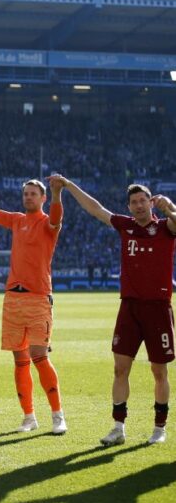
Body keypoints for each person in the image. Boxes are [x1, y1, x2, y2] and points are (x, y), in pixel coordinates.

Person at [52, 177, 176, 445]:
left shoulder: (166, 227)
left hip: (158, 309)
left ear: (151, 201)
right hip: (129, 308)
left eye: (143, 200)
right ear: (129, 207)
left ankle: (159, 428)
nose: (139, 205)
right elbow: (95, 208)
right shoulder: (126, 226)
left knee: (159, 372)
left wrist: (170, 208)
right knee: (120, 370)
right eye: (134, 202)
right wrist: (69, 186)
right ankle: (118, 428)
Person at [0, 166, 67, 434]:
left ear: (41, 198)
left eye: (33, 194)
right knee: (19, 361)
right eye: (25, 193)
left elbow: (57, 217)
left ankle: (57, 414)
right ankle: (29, 417)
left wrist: (56, 193)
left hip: (38, 297)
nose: (28, 197)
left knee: (39, 355)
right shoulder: (17, 219)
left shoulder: (48, 222)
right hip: (13, 298)